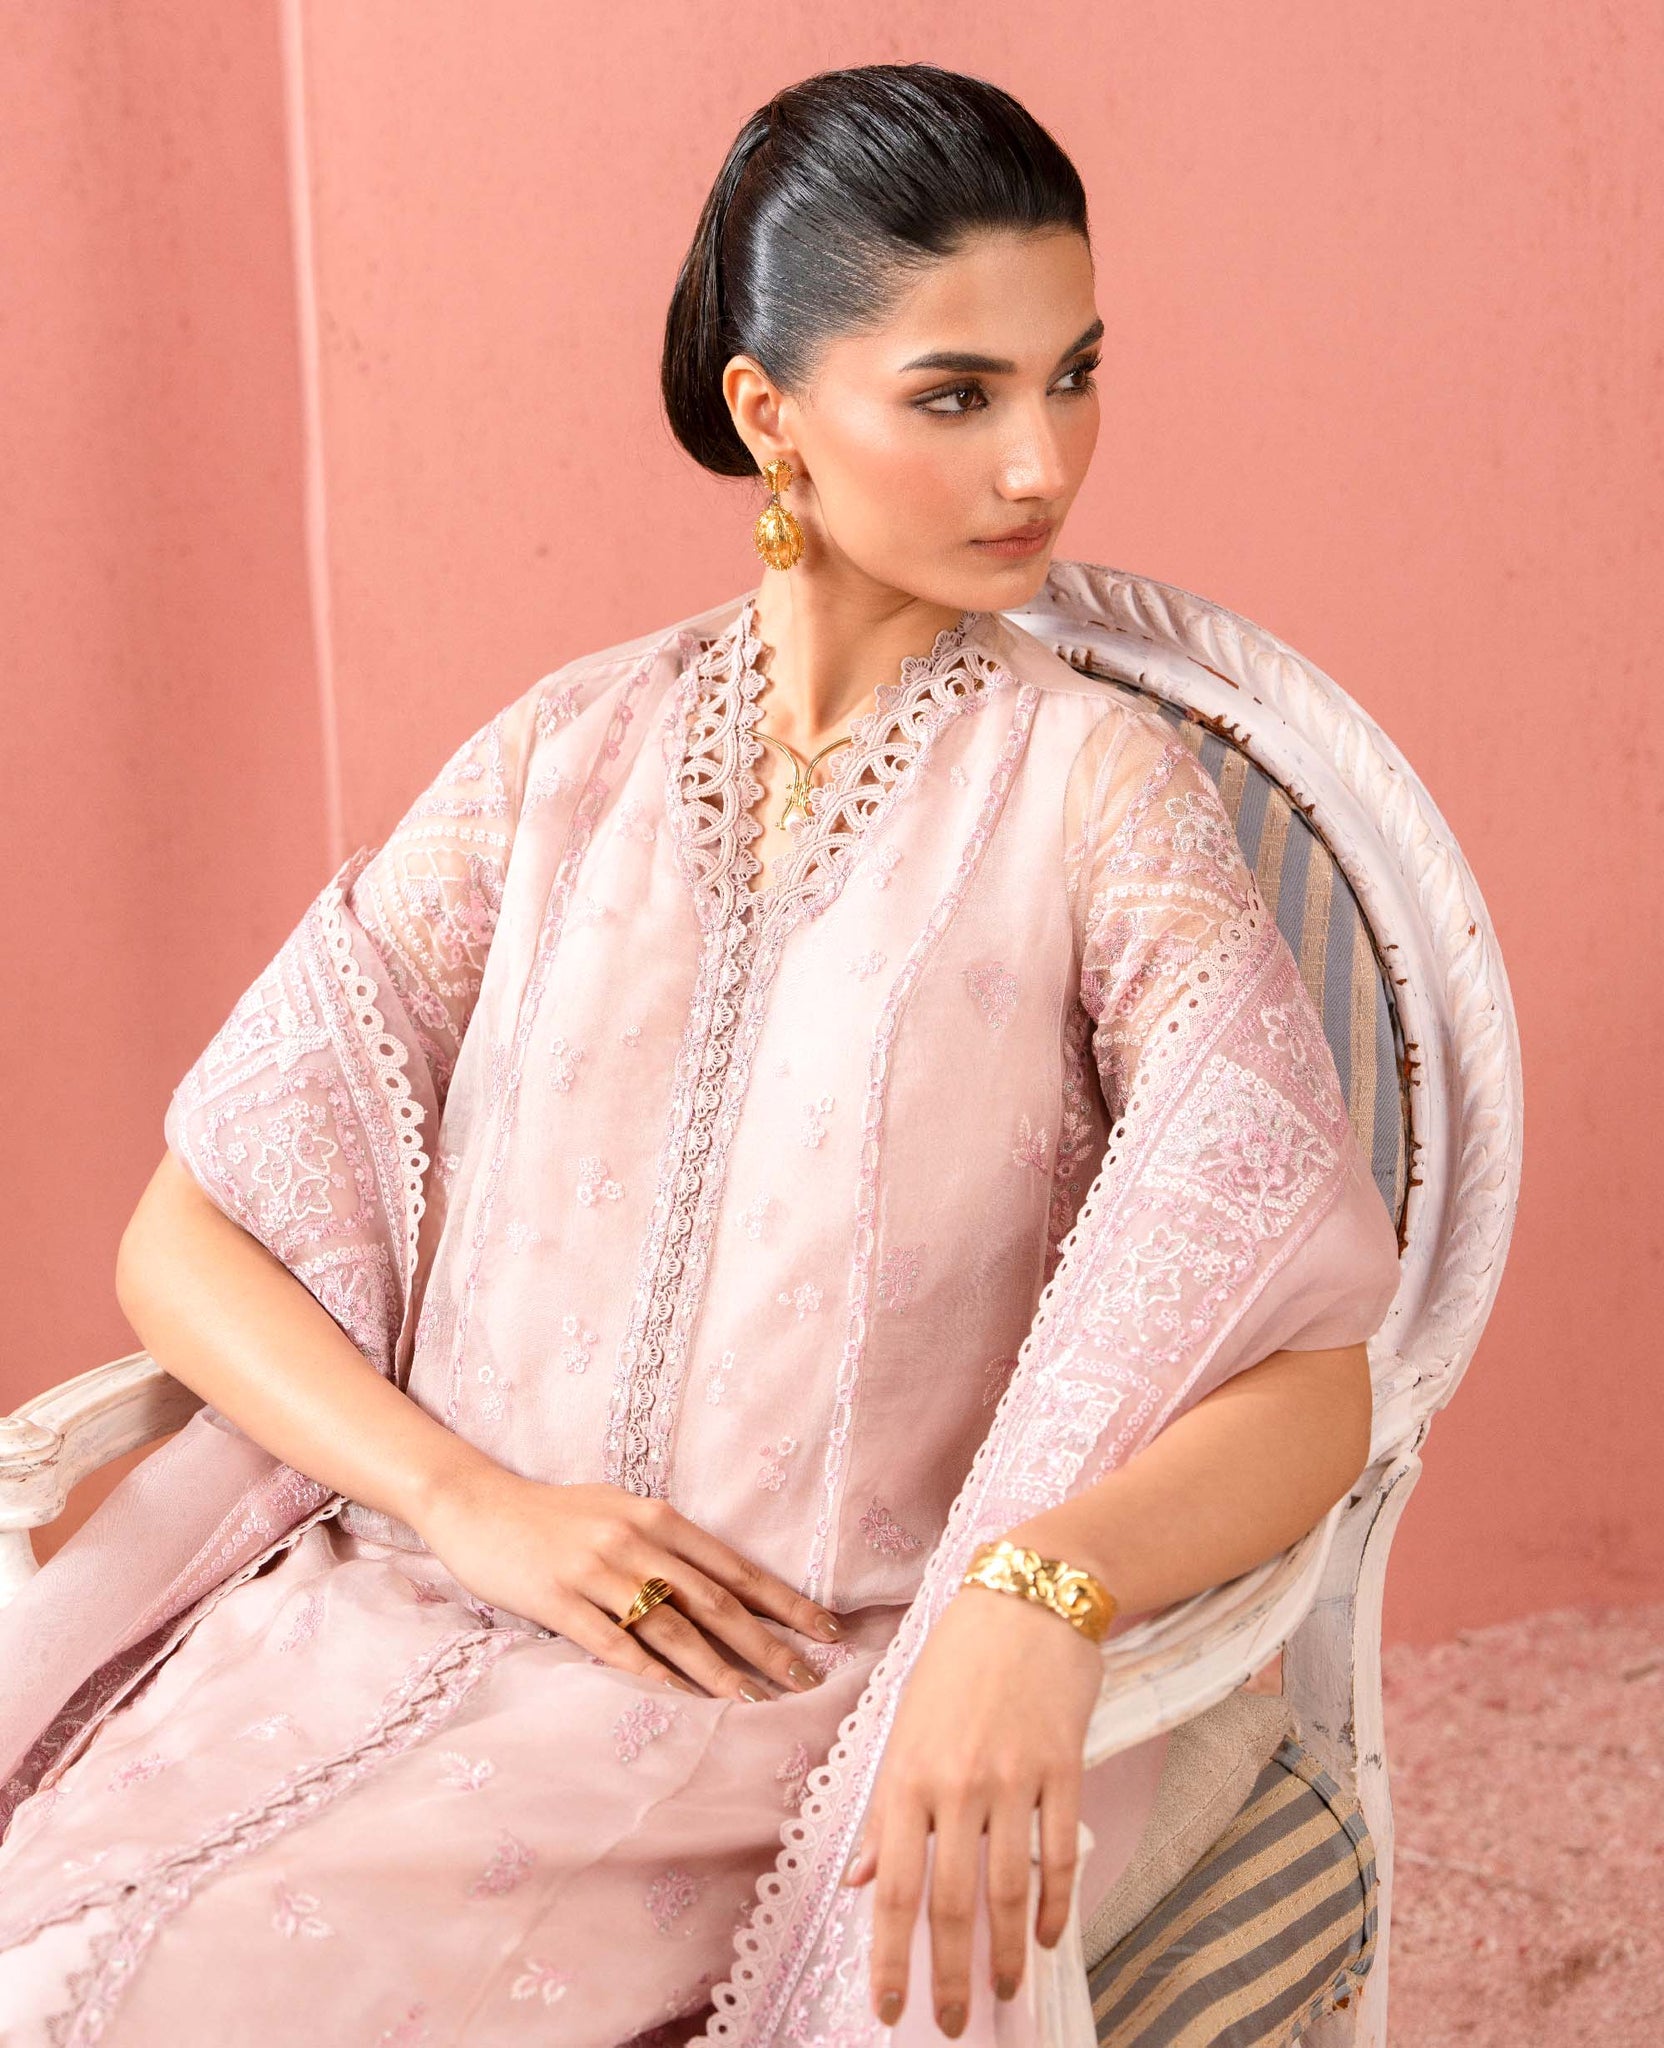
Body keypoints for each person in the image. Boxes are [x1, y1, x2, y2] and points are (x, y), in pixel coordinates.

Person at [0, 61, 1400, 2048]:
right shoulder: (563, 762)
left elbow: (1311, 1375)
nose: (1040, 464)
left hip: (775, 1720)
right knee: (58, 1955)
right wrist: (466, 1501)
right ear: (767, 412)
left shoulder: (1098, 798)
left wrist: (1036, 1594)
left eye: (1072, 376)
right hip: (387, 1624)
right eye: (957, 394)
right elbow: (187, 1237)